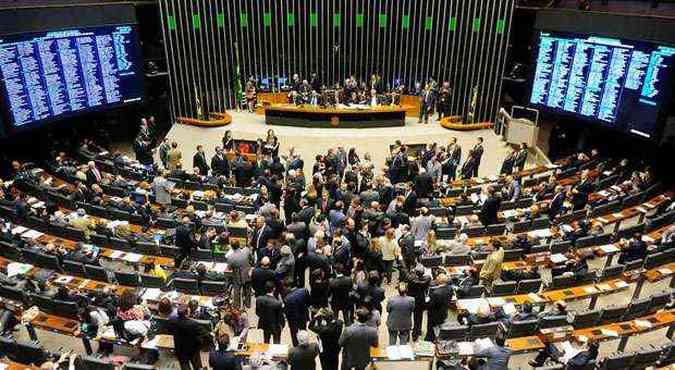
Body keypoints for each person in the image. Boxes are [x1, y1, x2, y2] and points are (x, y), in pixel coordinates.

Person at [167, 305, 208, 370]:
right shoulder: (193, 324)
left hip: (180, 348)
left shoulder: (172, 320)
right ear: (187, 313)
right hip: (193, 349)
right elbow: (205, 334)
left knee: (184, 365)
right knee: (196, 365)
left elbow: (169, 330)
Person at [425, 274, 453, 342]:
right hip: (444, 313)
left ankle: (429, 340)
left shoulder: (436, 293)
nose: (436, 279)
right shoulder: (450, 289)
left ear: (439, 281)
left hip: (434, 316)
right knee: (440, 327)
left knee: (431, 330)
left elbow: (430, 306)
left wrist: (427, 300)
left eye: (437, 278)